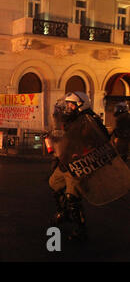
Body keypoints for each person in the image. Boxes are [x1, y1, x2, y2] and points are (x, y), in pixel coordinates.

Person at [48, 91, 109, 242]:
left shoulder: (90, 120)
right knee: (54, 184)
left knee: (72, 196)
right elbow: (68, 138)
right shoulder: (73, 120)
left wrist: (84, 152)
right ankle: (64, 213)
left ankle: (81, 230)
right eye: (68, 103)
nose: (69, 107)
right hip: (65, 161)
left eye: (72, 104)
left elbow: (100, 141)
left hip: (78, 164)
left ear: (81, 104)